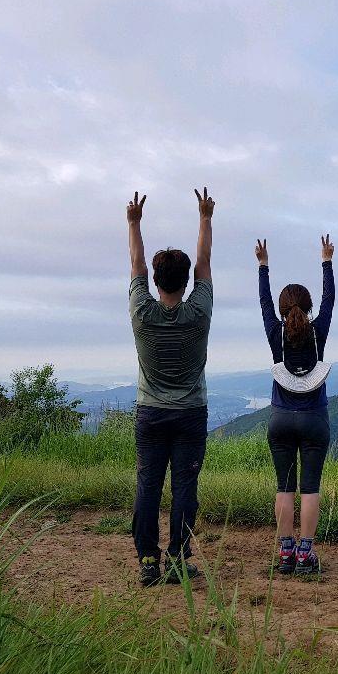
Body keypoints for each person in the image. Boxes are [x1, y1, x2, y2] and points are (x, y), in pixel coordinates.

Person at [127, 187, 215, 586]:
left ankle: (147, 560)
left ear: (156, 281)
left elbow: (135, 265)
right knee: (184, 488)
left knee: (148, 485)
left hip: (150, 413)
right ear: (185, 282)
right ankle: (179, 559)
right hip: (191, 413)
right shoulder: (198, 314)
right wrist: (205, 217)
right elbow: (205, 264)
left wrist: (133, 223)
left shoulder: (142, 314)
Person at [256, 235, 335, 575]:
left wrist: (263, 265)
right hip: (314, 418)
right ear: (309, 307)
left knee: (284, 487)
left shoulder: (276, 333)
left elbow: (263, 302)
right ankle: (306, 554)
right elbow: (331, 299)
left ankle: (285, 553)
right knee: (310, 487)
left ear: (281, 310)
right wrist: (326, 261)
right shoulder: (319, 331)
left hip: (280, 419)